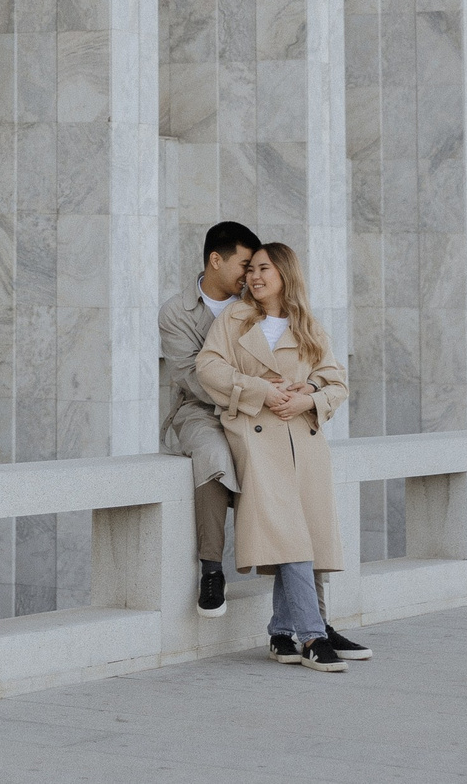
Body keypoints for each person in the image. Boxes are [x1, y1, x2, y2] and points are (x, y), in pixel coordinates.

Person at [193, 241, 369, 672]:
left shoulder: (306, 324)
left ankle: (281, 633)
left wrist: (308, 396)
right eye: (250, 269)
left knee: (303, 536)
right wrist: (262, 391)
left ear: (285, 274)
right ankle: (313, 634)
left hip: (303, 440)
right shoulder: (235, 319)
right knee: (290, 536)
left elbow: (336, 382)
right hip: (257, 438)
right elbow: (208, 368)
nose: (254, 277)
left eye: (264, 269)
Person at [160, 220, 258, 616]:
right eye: (245, 265)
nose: (250, 275)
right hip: (198, 411)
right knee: (214, 457)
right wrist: (246, 398)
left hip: (254, 405)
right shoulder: (176, 311)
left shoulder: (256, 303)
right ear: (216, 260)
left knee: (277, 460)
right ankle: (212, 569)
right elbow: (191, 377)